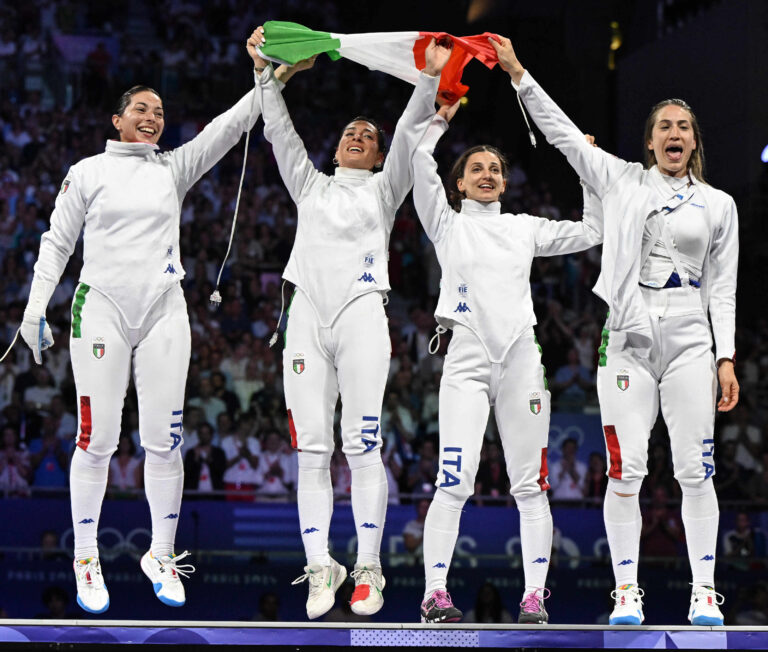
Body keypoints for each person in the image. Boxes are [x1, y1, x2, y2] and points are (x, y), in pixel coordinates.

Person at [19, 38, 312, 613]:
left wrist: (267, 80)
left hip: (163, 310)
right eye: (141, 110)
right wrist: (34, 308)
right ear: (118, 119)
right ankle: (85, 556)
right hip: (99, 307)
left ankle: (160, 551)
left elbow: (229, 129)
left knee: (164, 439)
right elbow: (57, 244)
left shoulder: (172, 168)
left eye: (158, 112)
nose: (152, 118)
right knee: (97, 439)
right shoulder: (86, 172)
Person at [490, 35, 739, 625]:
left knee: (694, 468)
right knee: (627, 469)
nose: (675, 134)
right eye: (664, 127)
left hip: (690, 341)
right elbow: (560, 132)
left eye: (684, 127)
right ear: (650, 141)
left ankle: (704, 591)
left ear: (693, 141)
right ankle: (627, 592)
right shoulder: (620, 179)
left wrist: (725, 358)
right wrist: (519, 73)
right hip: (626, 338)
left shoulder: (720, 205)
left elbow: (723, 289)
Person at [248, 26, 452, 619]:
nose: (358, 136)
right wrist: (264, 71)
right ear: (335, 149)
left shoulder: (386, 191)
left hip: (363, 315)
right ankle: (320, 566)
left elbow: (413, 131)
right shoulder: (308, 185)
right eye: (349, 132)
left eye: (368, 134)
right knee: (311, 448)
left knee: (361, 444)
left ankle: (368, 568)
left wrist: (432, 75)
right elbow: (277, 128)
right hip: (307, 316)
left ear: (378, 153)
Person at [410, 96, 601, 624]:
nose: (488, 174)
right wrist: (440, 120)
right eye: (477, 169)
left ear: (505, 181)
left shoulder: (525, 227)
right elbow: (416, 162)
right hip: (466, 361)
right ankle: (434, 594)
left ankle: (534, 596)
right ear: (461, 185)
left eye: (495, 168)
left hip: (521, 361)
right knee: (454, 479)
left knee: (530, 483)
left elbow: (592, 230)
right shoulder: (446, 224)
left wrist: (587, 170)